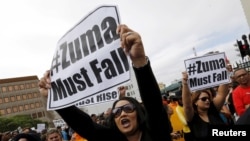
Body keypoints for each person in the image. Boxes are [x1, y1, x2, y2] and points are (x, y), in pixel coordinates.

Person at [39, 24, 172, 141]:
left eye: (128, 108)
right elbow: (86, 126)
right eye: (117, 111)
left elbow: (153, 105)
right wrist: (54, 97)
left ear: (139, 113)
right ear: (113, 120)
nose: (123, 113)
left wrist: (139, 61)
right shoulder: (111, 139)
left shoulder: (156, 131)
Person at [181, 71, 229, 141]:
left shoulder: (213, 110)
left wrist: (225, 73)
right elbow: (187, 105)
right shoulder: (192, 117)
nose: (207, 100)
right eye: (203, 99)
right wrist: (185, 84)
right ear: (195, 102)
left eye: (208, 98)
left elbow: (221, 94)